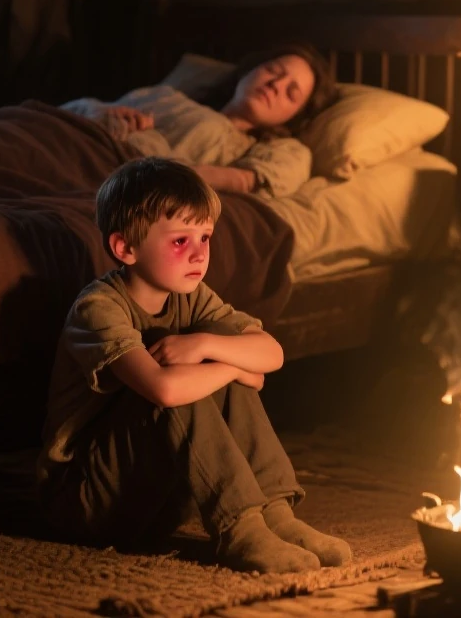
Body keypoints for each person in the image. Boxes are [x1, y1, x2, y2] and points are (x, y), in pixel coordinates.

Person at [37, 157, 353, 573]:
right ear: (124, 248)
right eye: (180, 241)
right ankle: (240, 528)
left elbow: (271, 354)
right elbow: (166, 392)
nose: (200, 253)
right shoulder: (98, 308)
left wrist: (205, 344)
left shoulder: (192, 297)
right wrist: (233, 364)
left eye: (205, 237)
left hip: (159, 493)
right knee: (188, 378)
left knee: (219, 341)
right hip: (86, 501)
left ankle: (275, 516)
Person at [64, 44, 339, 198]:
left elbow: (269, 176)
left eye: (291, 93)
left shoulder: (261, 148)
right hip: (70, 143)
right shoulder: (167, 96)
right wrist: (105, 116)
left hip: (111, 175)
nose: (276, 84)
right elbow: (68, 112)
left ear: (294, 117)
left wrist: (162, 170)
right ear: (248, 71)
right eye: (273, 70)